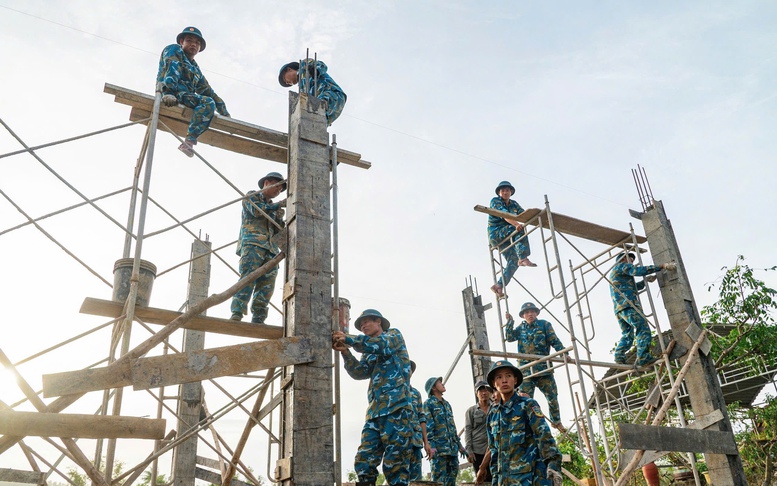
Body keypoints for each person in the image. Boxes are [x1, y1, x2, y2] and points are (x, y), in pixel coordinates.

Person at [332, 309, 414, 486]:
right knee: (364, 461)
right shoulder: (368, 349)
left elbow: (379, 344)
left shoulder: (393, 336)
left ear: (379, 322)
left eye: (366, 322)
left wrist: (349, 339)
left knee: (395, 465)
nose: (363, 326)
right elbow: (359, 372)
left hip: (396, 409)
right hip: (375, 412)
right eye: (361, 324)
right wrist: (346, 352)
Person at [480, 360, 563, 486]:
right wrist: (496, 480)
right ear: (493, 383)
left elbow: (544, 436)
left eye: (508, 376)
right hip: (505, 480)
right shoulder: (493, 415)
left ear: (515, 380)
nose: (504, 380)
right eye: (499, 377)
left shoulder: (528, 405)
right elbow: (494, 451)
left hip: (530, 478)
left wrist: (553, 466)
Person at [156, 26, 230, 157]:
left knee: (209, 101)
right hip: (170, 93)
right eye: (189, 40)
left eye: (197, 43)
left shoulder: (195, 68)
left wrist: (225, 113)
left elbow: (208, 91)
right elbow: (172, 68)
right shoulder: (174, 49)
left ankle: (189, 142)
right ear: (182, 42)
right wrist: (168, 92)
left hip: (185, 97)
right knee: (207, 102)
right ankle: (189, 142)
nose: (193, 44)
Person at [230, 172, 286, 324]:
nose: (278, 191)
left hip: (271, 250)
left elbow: (278, 231)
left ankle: (259, 317)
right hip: (253, 244)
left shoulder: (273, 208)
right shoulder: (252, 196)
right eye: (277, 186)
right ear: (267, 183)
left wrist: (280, 219)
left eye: (281, 189)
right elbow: (256, 211)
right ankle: (237, 312)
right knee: (248, 278)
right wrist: (278, 205)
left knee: (267, 286)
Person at [505, 302, 567, 432]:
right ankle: (525, 425)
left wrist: (564, 353)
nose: (530, 314)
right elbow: (509, 338)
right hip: (526, 371)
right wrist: (510, 322)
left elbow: (554, 340)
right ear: (523, 315)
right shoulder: (520, 328)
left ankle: (556, 421)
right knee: (524, 399)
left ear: (536, 313)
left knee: (552, 397)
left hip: (543, 369)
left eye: (532, 311)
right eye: (527, 312)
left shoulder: (544, 325)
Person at [609, 252, 676, 366]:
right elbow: (637, 271)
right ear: (623, 258)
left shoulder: (616, 272)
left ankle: (619, 356)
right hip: (628, 305)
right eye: (631, 259)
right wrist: (661, 266)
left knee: (627, 334)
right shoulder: (622, 266)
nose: (632, 263)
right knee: (643, 329)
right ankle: (643, 357)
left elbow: (633, 288)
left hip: (619, 309)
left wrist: (645, 282)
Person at [487, 181, 536, 298]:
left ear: (511, 192)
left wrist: (537, 216)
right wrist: (516, 224)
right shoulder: (495, 201)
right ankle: (523, 257)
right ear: (499, 192)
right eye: (503, 190)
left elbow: (523, 214)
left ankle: (499, 285)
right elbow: (505, 215)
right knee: (519, 229)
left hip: (507, 235)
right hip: (496, 233)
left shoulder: (513, 204)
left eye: (507, 190)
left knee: (513, 261)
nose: (505, 192)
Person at [424, 377, 467, 486]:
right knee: (438, 482)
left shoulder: (447, 404)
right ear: (433, 387)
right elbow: (428, 427)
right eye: (439, 382)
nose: (442, 384)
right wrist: (431, 446)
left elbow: (452, 428)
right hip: (439, 451)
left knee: (451, 482)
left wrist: (460, 446)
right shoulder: (429, 404)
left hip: (452, 451)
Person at [278, 59, 347, 125]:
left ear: (289, 69)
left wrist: (316, 70)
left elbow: (321, 65)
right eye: (286, 83)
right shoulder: (302, 88)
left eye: (284, 78)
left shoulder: (304, 65)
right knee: (315, 122)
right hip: (329, 110)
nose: (287, 82)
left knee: (319, 107)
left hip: (331, 93)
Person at [465, 380, 493, 484]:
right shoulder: (471, 411)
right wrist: (469, 450)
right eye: (480, 391)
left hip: (493, 450)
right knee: (481, 479)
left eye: (485, 390)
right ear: (477, 394)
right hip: (477, 451)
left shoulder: (495, 407)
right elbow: (468, 430)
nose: (484, 393)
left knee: (495, 478)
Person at [408, 361, 432, 481]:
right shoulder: (392, 391)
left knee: (416, 481)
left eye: (410, 369)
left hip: (415, 443)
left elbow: (421, 418)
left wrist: (426, 442)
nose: (408, 370)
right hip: (397, 443)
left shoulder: (416, 394)